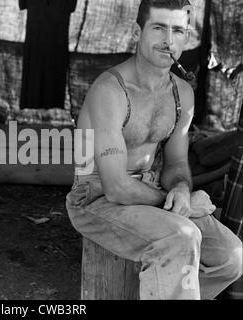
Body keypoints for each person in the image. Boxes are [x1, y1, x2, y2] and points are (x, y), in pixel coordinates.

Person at [66, 0, 242, 300]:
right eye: (159, 27)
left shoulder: (181, 93)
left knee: (231, 256)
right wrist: (174, 203)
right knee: (180, 238)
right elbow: (116, 188)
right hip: (96, 198)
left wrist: (183, 191)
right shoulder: (110, 90)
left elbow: (175, 163)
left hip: (150, 187)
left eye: (177, 30)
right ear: (139, 31)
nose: (168, 40)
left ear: (186, 37)